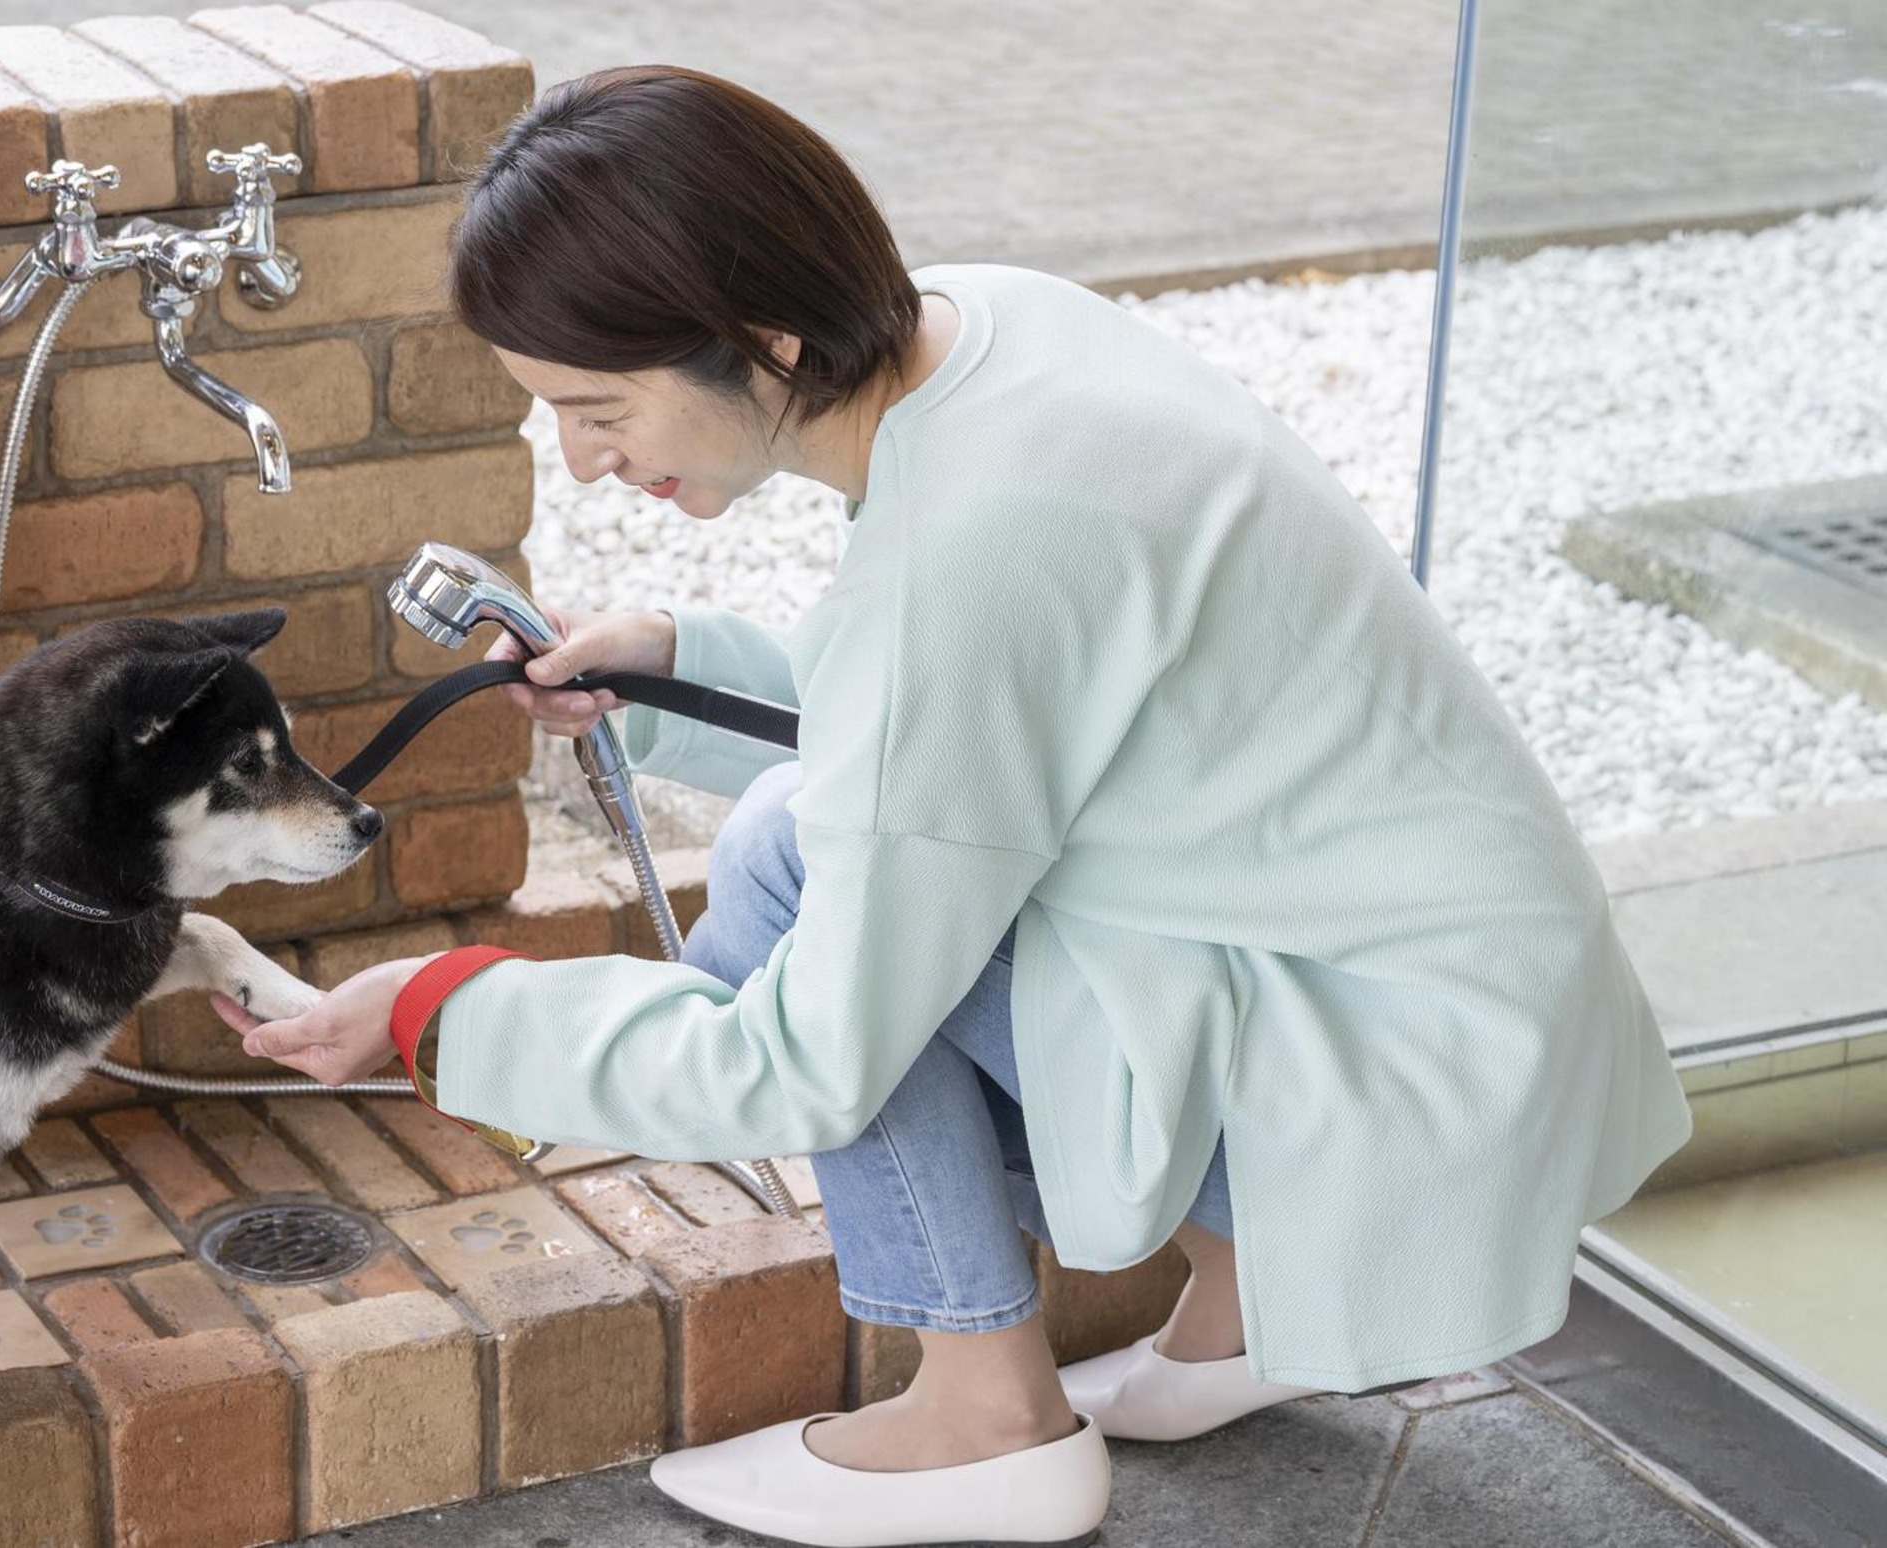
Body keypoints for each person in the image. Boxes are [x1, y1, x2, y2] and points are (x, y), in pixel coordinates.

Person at [210, 64, 1691, 1548]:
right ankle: (1239, 1288)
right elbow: (985, 734)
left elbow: (805, 1059)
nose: (586, 462)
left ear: (765, 339)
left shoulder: (970, 549)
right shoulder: (990, 326)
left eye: (596, 411)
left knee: (784, 867)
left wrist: (443, 1012)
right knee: (823, 836)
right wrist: (676, 671)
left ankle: (986, 1420)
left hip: (1400, 1085)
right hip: (1452, 996)